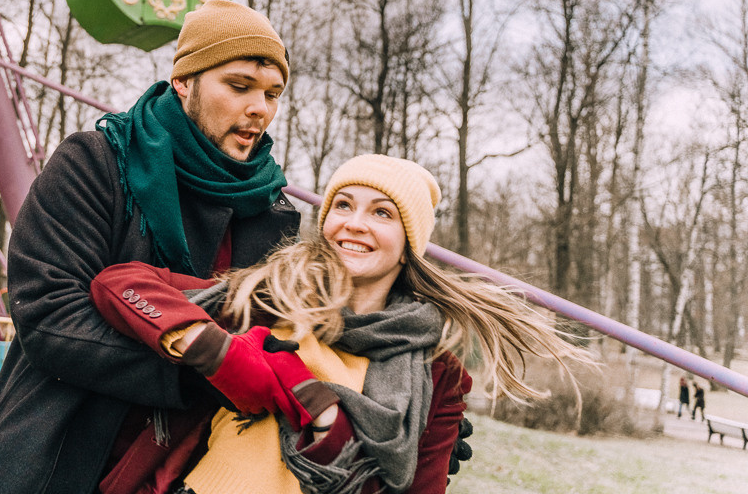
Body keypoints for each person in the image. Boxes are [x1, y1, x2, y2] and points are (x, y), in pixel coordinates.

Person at [90, 154, 597, 494]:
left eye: (382, 213)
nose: (355, 223)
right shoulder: (267, 298)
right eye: (343, 205)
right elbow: (120, 283)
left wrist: (321, 413)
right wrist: (219, 354)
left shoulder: (438, 372)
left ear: (409, 245)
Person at [0, 0, 303, 494]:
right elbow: (49, 312)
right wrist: (205, 369)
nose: (259, 109)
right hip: (57, 456)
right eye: (239, 86)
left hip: (196, 472)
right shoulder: (95, 163)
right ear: (184, 82)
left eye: (272, 93)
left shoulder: (273, 211)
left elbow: (279, 340)